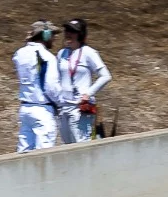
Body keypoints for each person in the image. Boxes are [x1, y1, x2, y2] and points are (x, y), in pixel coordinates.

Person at [12, 20, 66, 152]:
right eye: (52, 35)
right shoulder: (47, 57)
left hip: (25, 108)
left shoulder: (20, 53)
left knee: (23, 151)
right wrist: (60, 103)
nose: (54, 38)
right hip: (42, 110)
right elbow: (51, 86)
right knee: (43, 154)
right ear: (45, 35)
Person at [55, 18, 111, 144]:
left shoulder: (88, 52)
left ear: (81, 35)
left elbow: (105, 76)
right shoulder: (61, 53)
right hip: (64, 107)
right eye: (67, 30)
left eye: (73, 31)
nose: (68, 34)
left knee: (80, 145)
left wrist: (88, 94)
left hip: (80, 108)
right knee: (66, 147)